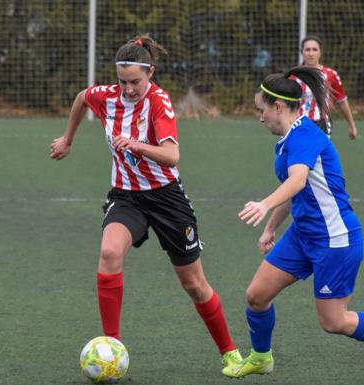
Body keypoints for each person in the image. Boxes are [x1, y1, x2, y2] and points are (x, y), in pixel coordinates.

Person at [49, 34, 242, 369]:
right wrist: (68, 139)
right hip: (126, 197)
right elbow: (82, 98)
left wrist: (136, 145)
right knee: (109, 252)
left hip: (167, 199)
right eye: (123, 82)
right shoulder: (106, 97)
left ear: (150, 73)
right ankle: (112, 347)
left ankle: (229, 351)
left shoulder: (159, 102)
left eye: (135, 82)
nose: (128, 89)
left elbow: (172, 155)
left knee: (194, 284)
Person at [221, 65, 364, 382]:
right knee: (256, 296)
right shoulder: (286, 139)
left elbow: (297, 180)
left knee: (334, 321)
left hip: (334, 239)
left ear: (278, 107)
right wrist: (271, 227)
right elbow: (295, 190)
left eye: (261, 110)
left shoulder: (306, 136)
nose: (260, 118)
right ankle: (260, 357)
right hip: (303, 234)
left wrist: (263, 203)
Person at [298, 35, 358, 140]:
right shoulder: (294, 75)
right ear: (301, 52)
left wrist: (352, 125)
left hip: (322, 124)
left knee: (318, 156)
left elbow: (342, 101)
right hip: (298, 123)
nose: (311, 53)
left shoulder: (330, 75)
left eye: (314, 50)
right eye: (307, 50)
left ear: (320, 52)